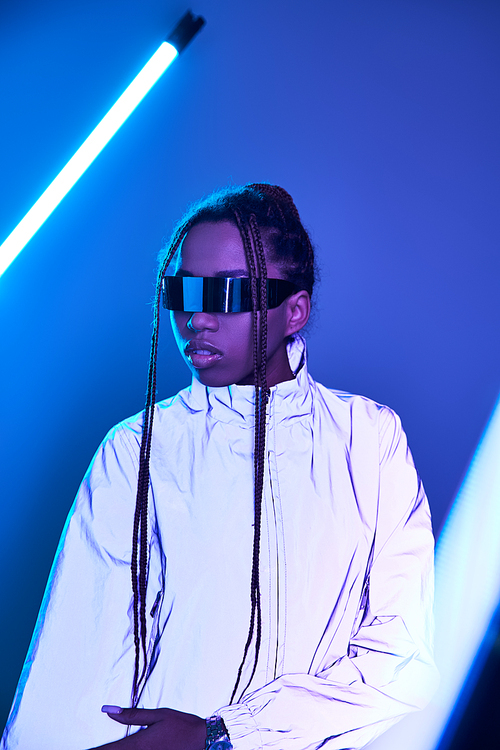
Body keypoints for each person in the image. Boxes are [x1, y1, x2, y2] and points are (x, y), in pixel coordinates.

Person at [1, 184, 438, 750]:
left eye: (227, 293)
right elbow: (68, 679)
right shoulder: (135, 450)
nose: (197, 318)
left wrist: (223, 737)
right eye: (185, 290)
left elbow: (402, 663)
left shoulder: (370, 440)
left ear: (295, 310)